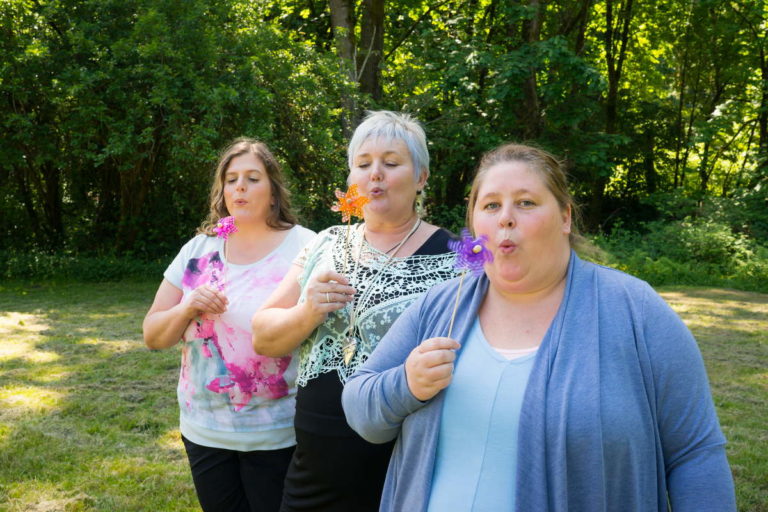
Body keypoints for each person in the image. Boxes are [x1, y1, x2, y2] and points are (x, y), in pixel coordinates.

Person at [342, 143, 736, 511]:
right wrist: (407, 385)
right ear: (475, 222)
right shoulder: (441, 305)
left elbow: (695, 452)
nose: (506, 217)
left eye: (526, 203)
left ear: (565, 217)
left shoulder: (635, 309)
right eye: (491, 205)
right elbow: (360, 408)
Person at [251, 111, 458, 511]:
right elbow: (263, 336)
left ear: (421, 177)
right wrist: (307, 311)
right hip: (314, 465)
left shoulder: (454, 258)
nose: (374, 174)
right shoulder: (326, 243)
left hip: (401, 463)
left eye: (391, 163)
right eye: (363, 164)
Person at [142, 138, 316, 512]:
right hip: (204, 431)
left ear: (273, 192)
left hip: (278, 434)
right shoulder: (199, 250)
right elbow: (153, 335)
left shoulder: (306, 247)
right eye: (231, 178)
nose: (239, 186)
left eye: (253, 178)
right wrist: (187, 307)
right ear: (221, 192)